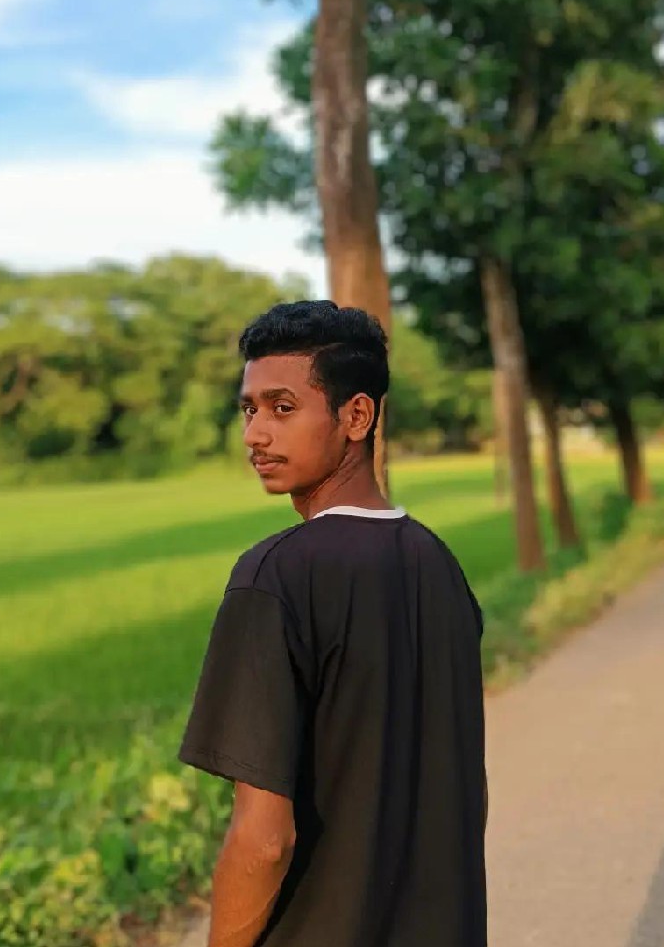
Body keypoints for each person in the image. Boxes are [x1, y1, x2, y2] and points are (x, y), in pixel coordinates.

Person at [179, 300, 488, 947]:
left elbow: (265, 839)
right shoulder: (439, 565)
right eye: (249, 409)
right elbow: (463, 792)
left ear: (357, 416)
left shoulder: (275, 577)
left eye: (283, 407)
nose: (255, 435)